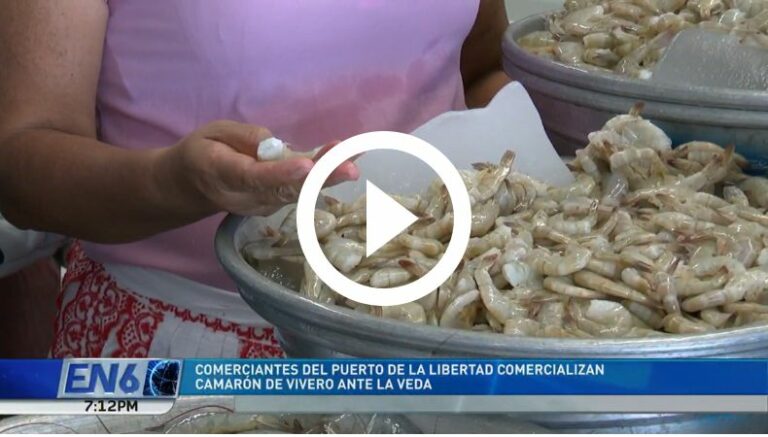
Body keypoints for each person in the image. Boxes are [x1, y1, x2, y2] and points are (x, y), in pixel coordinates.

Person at [0, 0, 510, 358]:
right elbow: (21, 164)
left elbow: (483, 70)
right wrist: (174, 183)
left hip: (454, 333)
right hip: (192, 348)